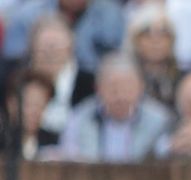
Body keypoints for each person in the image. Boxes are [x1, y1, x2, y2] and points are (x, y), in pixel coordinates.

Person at [59, 51, 173, 160]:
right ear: (98, 88)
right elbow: (70, 158)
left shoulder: (161, 121)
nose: (120, 96)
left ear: (141, 87)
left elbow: (163, 158)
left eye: (127, 88)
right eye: (113, 89)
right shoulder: (79, 118)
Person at [17, 14, 95, 142]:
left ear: (70, 48)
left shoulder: (88, 83)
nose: (50, 54)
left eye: (57, 48)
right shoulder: (16, 80)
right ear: (32, 47)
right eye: (44, 48)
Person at [2, 0, 123, 72]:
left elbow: (114, 64)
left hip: (84, 90)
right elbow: (12, 64)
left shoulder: (110, 14)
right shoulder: (28, 15)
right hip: (34, 84)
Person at [125, 4, 182, 110]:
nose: (156, 41)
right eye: (147, 34)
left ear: (172, 40)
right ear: (135, 41)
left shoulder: (184, 80)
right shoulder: (125, 79)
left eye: (163, 34)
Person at [2, 69, 59, 158]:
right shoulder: (3, 141)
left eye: (40, 105)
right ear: (11, 105)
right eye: (29, 104)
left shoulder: (53, 142)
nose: (34, 112)